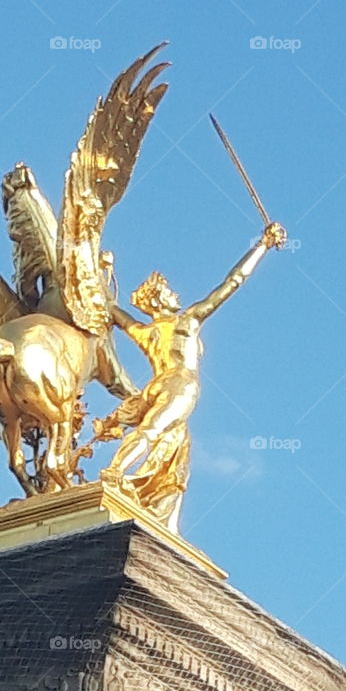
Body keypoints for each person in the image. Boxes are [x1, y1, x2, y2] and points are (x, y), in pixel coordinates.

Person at [95, 221, 286, 531]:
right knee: (152, 431)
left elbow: (111, 309)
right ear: (159, 300)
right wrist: (262, 246)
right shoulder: (188, 322)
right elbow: (233, 282)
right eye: (170, 292)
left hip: (155, 387)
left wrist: (98, 272)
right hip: (180, 384)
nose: (176, 296)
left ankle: (159, 515)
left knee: (173, 457)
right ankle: (114, 474)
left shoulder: (144, 332)